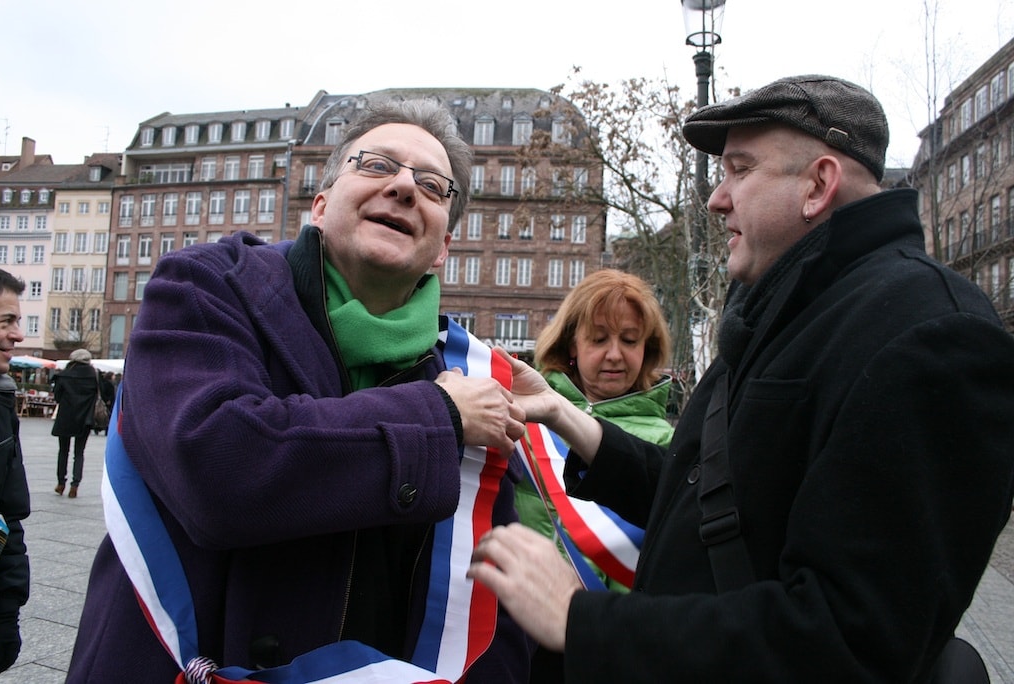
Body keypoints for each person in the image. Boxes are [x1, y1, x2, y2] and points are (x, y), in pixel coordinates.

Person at [468, 75, 1014, 681]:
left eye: (740, 169)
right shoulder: (786, 309)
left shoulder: (932, 334)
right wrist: (563, 413)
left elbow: (851, 639)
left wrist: (582, 622)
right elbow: (708, 497)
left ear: (818, 185)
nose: (716, 198)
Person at [66, 99, 531, 683]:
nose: (406, 188)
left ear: (442, 250)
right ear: (318, 206)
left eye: (434, 186)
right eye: (378, 165)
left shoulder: (471, 378)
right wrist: (436, 415)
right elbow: (217, 467)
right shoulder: (205, 286)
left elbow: (494, 600)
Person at [513, 269, 674, 680]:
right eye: (599, 339)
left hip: (609, 645)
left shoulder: (673, 444)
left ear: (648, 349)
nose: (615, 355)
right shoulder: (526, 422)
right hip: (514, 631)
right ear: (571, 345)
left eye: (630, 339)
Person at [0, 267, 30, 678]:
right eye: (7, 321)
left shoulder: (0, 401)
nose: (17, 335)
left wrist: (6, 616)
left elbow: (6, 520)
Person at [50, 348, 98, 498]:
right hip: (85, 419)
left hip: (66, 417)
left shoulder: (64, 375)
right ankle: (75, 485)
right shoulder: (94, 375)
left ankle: (60, 483)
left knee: (63, 451)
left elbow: (57, 397)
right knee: (79, 453)